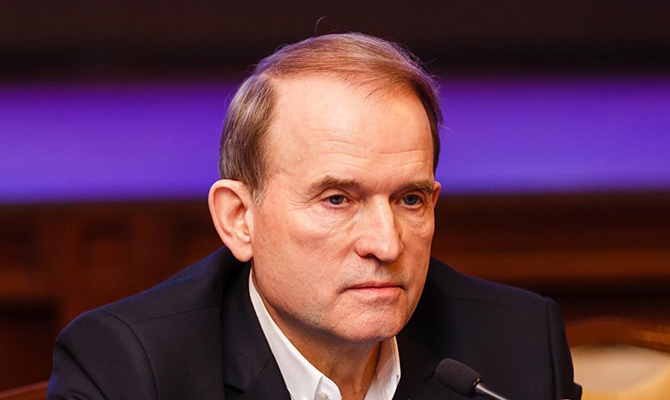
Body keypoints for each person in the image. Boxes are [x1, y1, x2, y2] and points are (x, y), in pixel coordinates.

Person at [47, 33, 581, 400]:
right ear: (239, 219)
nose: (386, 244)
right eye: (337, 200)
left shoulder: (517, 342)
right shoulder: (132, 369)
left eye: (409, 200)